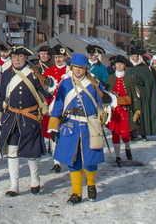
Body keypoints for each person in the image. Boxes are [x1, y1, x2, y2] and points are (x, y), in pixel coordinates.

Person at [48, 53, 113, 204]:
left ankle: (91, 184)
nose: (77, 70)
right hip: (70, 126)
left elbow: (102, 102)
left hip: (88, 125)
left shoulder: (94, 83)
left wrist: (106, 100)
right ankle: (76, 192)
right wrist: (53, 126)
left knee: (90, 159)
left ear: (85, 69)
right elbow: (58, 104)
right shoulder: (65, 84)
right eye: (75, 67)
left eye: (81, 68)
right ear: (72, 68)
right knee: (73, 160)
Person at [0, 46, 52, 197]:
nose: (17, 60)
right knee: (12, 151)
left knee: (32, 152)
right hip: (11, 117)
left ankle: (35, 179)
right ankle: (14, 185)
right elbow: (1, 98)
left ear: (25, 58)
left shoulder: (33, 74)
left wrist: (51, 86)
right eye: (14, 57)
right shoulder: (6, 75)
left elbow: (44, 92)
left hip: (30, 116)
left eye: (19, 57)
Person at [104, 55, 139, 165]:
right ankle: (117, 155)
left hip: (125, 110)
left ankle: (127, 149)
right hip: (114, 111)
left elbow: (133, 94)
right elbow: (106, 94)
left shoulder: (128, 78)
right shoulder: (110, 78)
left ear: (124, 66)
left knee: (125, 134)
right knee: (115, 133)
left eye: (121, 64)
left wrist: (137, 108)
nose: (119, 66)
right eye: (117, 64)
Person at [42, 43, 69, 173]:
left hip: (69, 106)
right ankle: (56, 162)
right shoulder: (49, 72)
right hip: (53, 106)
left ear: (65, 57)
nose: (58, 59)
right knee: (53, 133)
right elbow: (45, 91)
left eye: (60, 57)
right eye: (56, 57)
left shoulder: (70, 71)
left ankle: (70, 158)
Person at [127, 52, 156, 139]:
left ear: (138, 57)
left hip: (142, 95)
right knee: (132, 113)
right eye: (131, 56)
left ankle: (143, 133)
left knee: (142, 113)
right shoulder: (127, 68)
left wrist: (142, 84)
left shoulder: (145, 68)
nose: (133, 58)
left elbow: (150, 81)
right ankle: (133, 134)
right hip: (131, 95)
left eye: (134, 56)